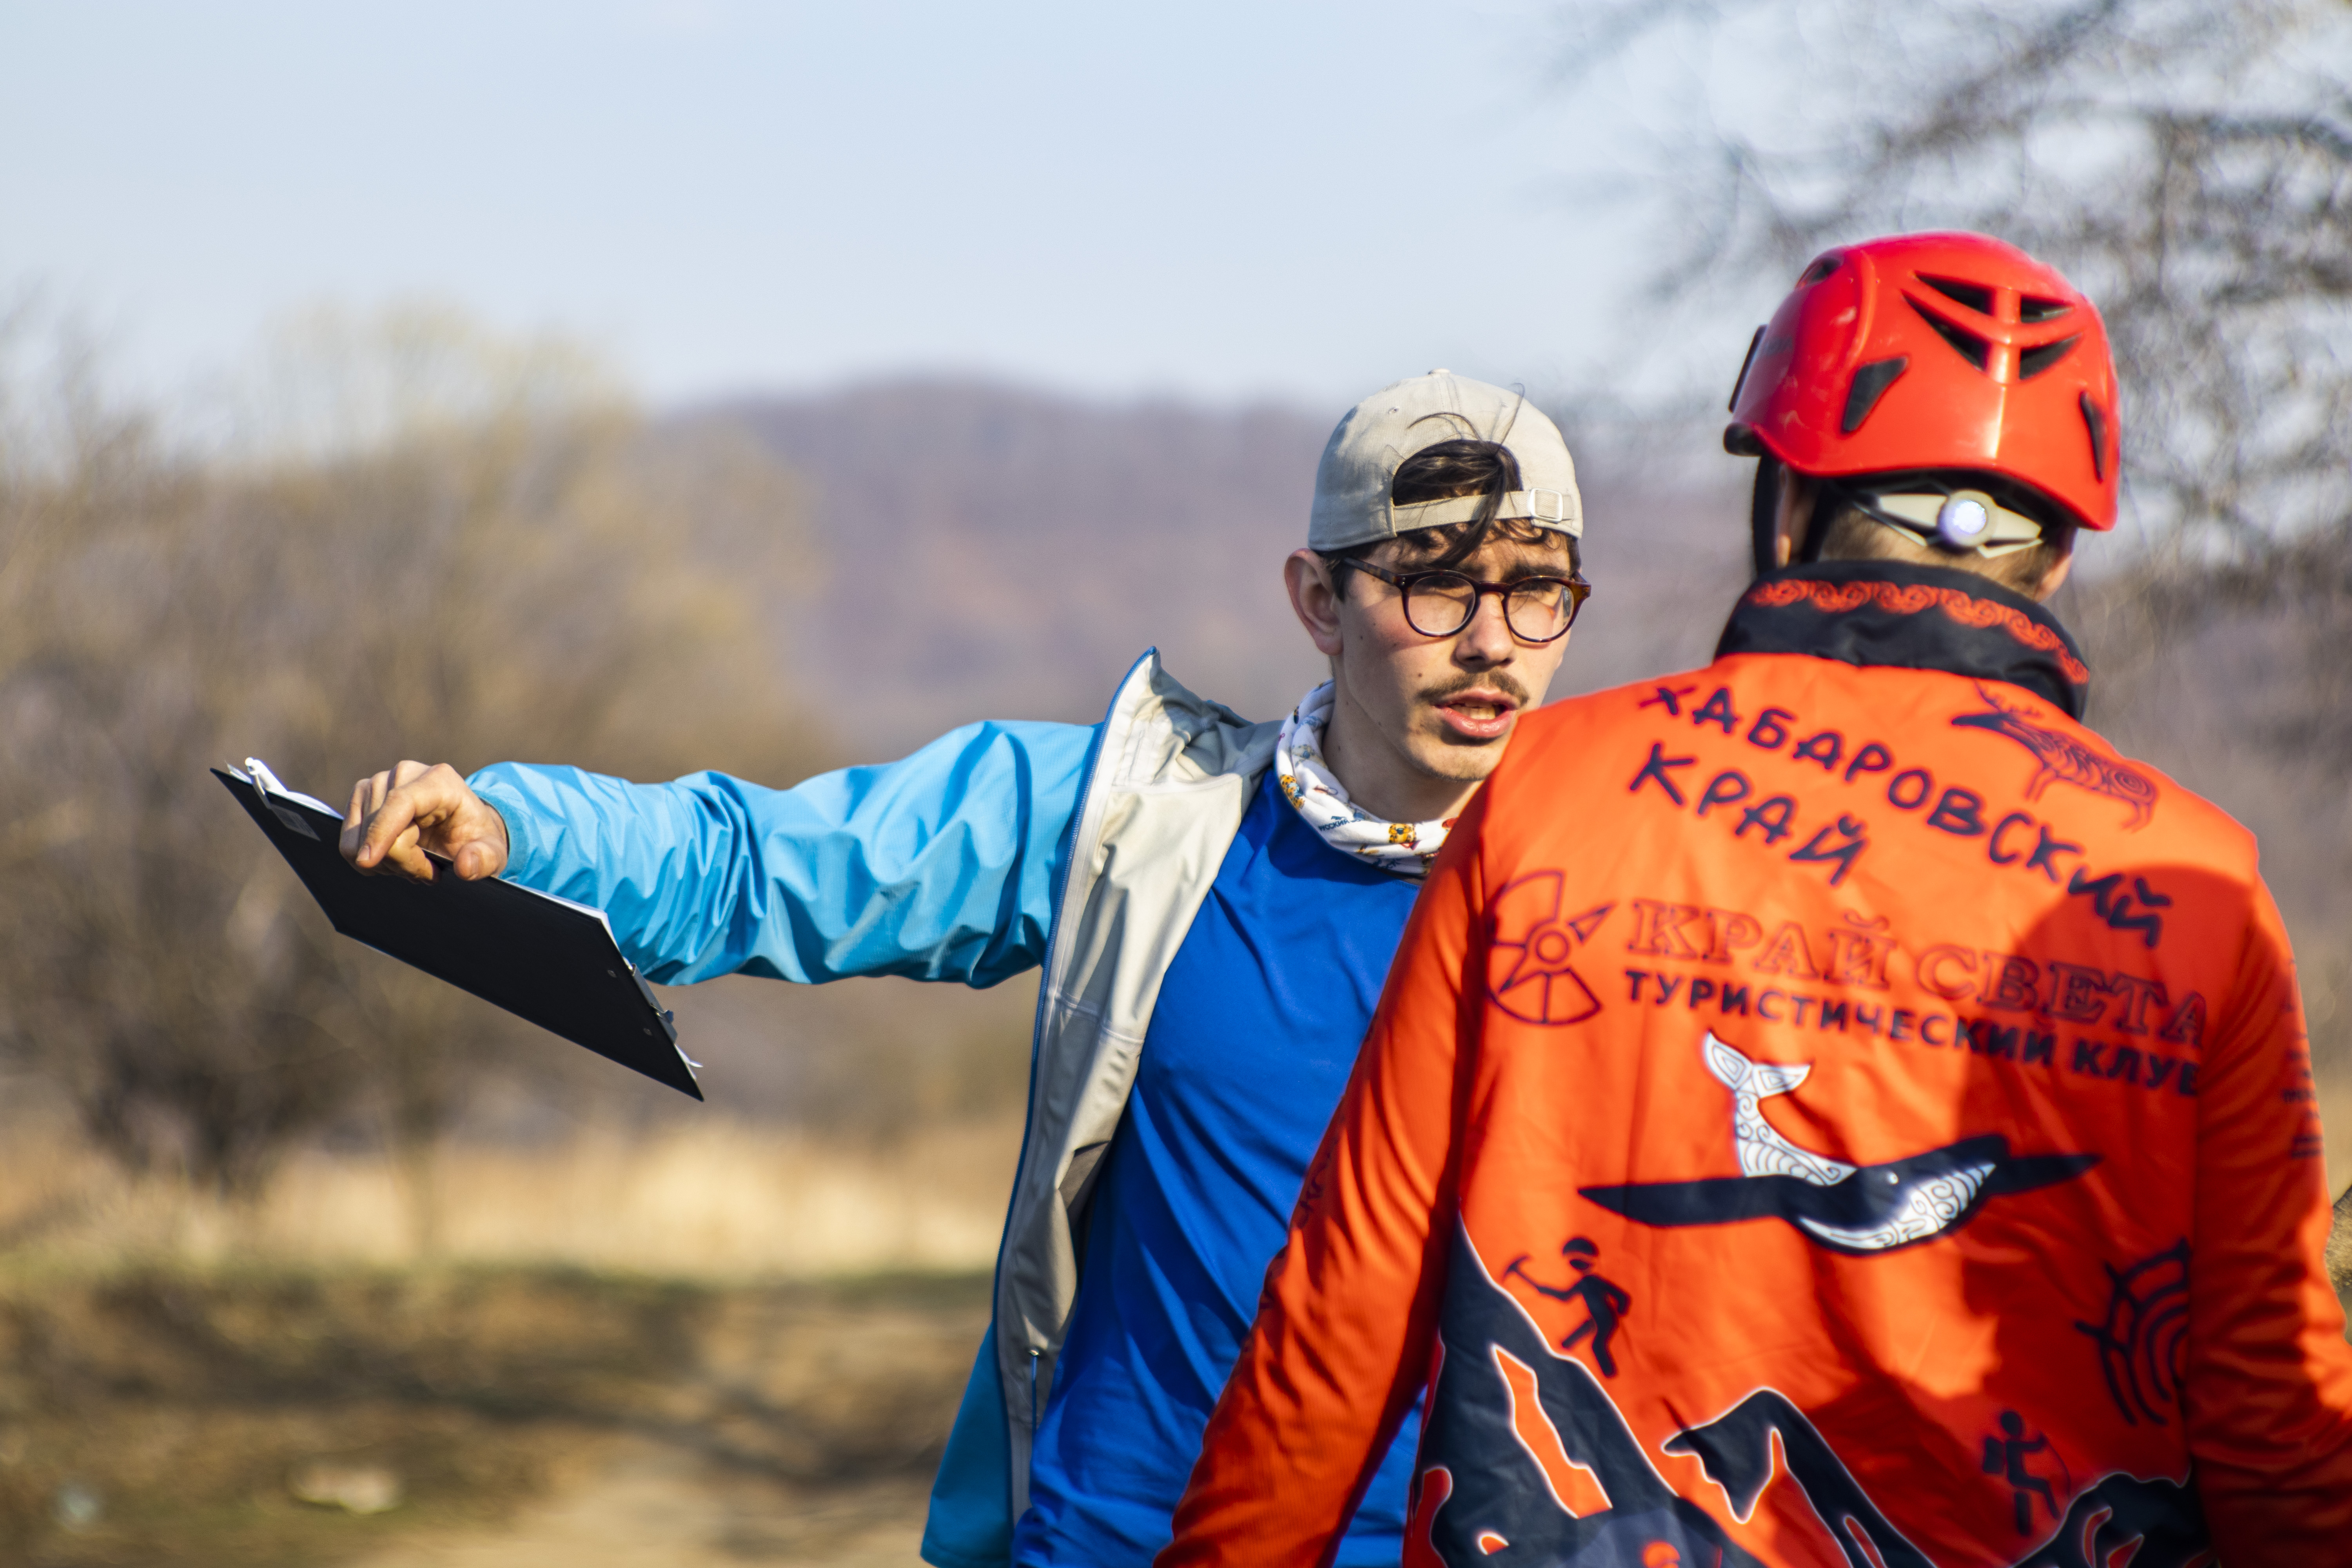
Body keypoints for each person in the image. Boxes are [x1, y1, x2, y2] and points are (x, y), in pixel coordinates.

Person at [1157, 234, 2352, 1568]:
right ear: (2060, 554)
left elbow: (1345, 1308)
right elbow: (2274, 1421)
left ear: (1784, 508)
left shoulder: (1551, 787)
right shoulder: (2204, 891)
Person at [336, 372, 1595, 1568]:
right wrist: (520, 826)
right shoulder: (1139, 823)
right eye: (1436, 585)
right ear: (1319, 600)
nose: (1492, 641)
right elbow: (765, 863)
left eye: (1537, 590)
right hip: (1124, 1541)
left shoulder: (1627, 899)